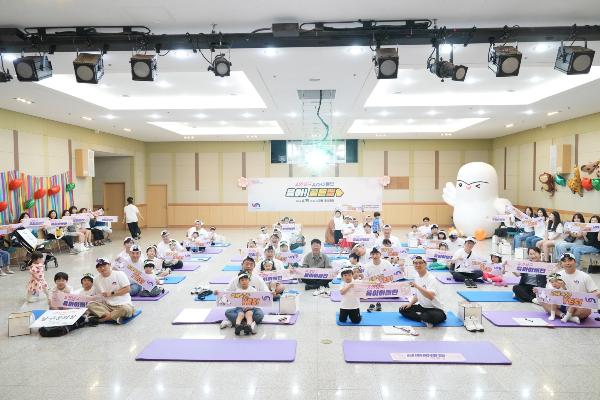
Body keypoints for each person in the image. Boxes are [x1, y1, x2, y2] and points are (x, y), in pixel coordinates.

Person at [399, 256, 447, 328]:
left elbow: (430, 296)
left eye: (420, 263)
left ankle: (423, 318)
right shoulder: (417, 276)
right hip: (423, 307)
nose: (418, 265)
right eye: (416, 263)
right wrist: (410, 304)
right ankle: (423, 319)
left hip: (435, 309)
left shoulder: (431, 279)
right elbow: (417, 294)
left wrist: (417, 286)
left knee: (428, 316)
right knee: (402, 309)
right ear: (414, 265)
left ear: (425, 264)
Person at [87, 258, 135, 324]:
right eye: (100, 267)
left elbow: (128, 289)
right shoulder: (96, 279)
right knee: (90, 304)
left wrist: (112, 293)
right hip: (107, 305)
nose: (102, 268)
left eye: (104, 265)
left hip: (123, 304)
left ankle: (101, 320)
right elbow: (97, 294)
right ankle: (114, 317)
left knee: (126, 309)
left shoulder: (119, 274)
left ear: (109, 265)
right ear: (97, 269)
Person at [554, 252, 598, 323]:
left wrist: (596, 294)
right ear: (561, 264)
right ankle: (567, 317)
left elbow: (595, 292)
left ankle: (565, 316)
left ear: (575, 262)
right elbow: (549, 291)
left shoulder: (585, 276)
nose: (567, 263)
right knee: (544, 302)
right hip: (562, 304)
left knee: (587, 311)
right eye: (564, 261)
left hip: (578, 305)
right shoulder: (557, 275)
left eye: (570, 260)